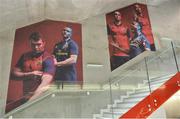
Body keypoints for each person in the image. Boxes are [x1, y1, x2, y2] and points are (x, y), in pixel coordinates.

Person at [12, 32, 55, 101]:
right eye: (33, 45)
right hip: (26, 97)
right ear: (29, 43)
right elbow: (13, 74)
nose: (36, 47)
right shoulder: (24, 56)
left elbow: (45, 82)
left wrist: (31, 101)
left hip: (42, 99)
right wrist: (29, 74)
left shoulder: (48, 58)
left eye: (38, 44)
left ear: (44, 43)